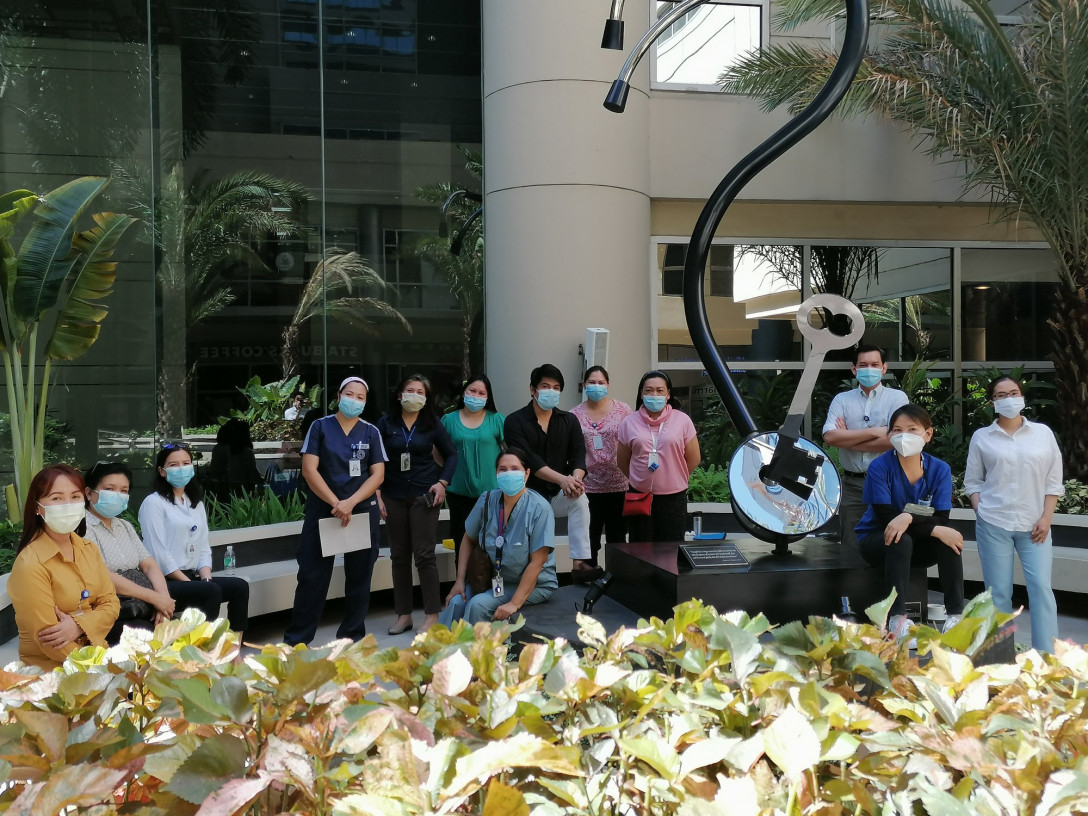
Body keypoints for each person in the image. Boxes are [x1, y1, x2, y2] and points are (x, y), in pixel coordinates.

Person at [283, 376, 386, 645]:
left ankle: (351, 638)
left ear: (366, 402)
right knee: (312, 577)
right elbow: (309, 469)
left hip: (360, 511)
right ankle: (298, 641)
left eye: (360, 397)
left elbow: (377, 475)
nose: (354, 400)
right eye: (349, 394)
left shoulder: (371, 432)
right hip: (324, 510)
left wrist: (350, 503)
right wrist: (336, 504)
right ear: (339, 396)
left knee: (359, 578)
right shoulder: (320, 427)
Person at [964, 374, 1063, 651]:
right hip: (994, 522)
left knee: (1041, 589)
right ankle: (1000, 655)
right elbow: (973, 480)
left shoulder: (1042, 433)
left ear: (1022, 397)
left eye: (1014, 392)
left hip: (1035, 524)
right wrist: (979, 508)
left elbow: (1053, 481)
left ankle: (1047, 657)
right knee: (998, 594)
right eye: (1001, 395)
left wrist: (1047, 518)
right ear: (992, 402)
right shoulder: (982, 437)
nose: (1009, 399)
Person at [856, 404, 964, 639]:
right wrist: (930, 526)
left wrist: (909, 516)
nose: (904, 435)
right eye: (897, 430)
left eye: (912, 429)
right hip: (879, 541)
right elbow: (886, 517)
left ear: (928, 433)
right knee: (900, 538)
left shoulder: (940, 470)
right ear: (890, 435)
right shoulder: (879, 467)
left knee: (950, 538)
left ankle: (955, 616)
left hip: (916, 542)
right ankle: (897, 619)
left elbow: (942, 518)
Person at [8, 464, 119, 670]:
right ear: (37, 507)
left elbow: (111, 605)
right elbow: (51, 642)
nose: (68, 504)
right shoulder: (30, 564)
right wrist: (99, 665)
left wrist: (78, 626)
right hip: (51, 672)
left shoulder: (88, 549)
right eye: (56, 498)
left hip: (97, 656)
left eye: (75, 496)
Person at [139, 442, 250, 637]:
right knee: (210, 592)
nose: (181, 468)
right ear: (162, 471)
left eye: (186, 463)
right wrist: (195, 585)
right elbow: (160, 554)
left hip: (192, 577)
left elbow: (203, 546)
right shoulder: (153, 503)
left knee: (239, 587)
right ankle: (202, 652)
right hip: (165, 581)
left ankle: (234, 651)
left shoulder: (195, 503)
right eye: (173, 465)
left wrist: (206, 578)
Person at [377, 374, 458, 635]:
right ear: (399, 395)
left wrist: (442, 483)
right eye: (410, 390)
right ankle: (404, 615)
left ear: (426, 398)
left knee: (424, 555)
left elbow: (452, 455)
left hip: (425, 495)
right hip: (393, 495)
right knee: (399, 556)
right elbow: (374, 460)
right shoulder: (385, 424)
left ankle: (432, 615)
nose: (415, 395)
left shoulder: (432, 424)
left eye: (420, 392)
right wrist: (377, 492)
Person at [440, 448, 557, 625]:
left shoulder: (540, 508)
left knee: (478, 605)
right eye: (503, 469)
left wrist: (514, 603)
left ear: (526, 474)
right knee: (456, 602)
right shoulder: (487, 500)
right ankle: (444, 650)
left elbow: (538, 562)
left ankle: (475, 652)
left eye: (515, 469)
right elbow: (468, 538)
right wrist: (459, 581)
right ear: (496, 473)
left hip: (533, 584)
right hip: (493, 580)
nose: (508, 473)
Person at [504, 363, 597, 582]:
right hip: (526, 496)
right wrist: (563, 480)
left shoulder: (569, 420)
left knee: (580, 499)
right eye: (545, 386)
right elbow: (529, 460)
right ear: (532, 389)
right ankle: (530, 578)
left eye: (556, 387)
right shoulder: (514, 421)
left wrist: (575, 480)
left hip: (558, 493)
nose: (551, 391)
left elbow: (579, 454)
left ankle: (580, 563)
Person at [822, 343, 909, 549]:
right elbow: (831, 438)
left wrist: (849, 438)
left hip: (889, 483)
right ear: (854, 369)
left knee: (890, 542)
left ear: (884, 368)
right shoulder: (841, 400)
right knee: (852, 546)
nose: (869, 369)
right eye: (863, 365)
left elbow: (896, 440)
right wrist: (876, 431)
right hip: (852, 486)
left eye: (874, 364)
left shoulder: (898, 398)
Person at [83, 461, 175, 640]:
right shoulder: (82, 528)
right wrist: (154, 598)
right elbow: (101, 576)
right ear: (88, 493)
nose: (117, 495)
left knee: (204, 595)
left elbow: (149, 565)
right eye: (110, 489)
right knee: (147, 633)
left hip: (141, 596)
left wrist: (163, 599)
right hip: (109, 605)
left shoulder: (124, 525)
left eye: (123, 491)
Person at [617, 371, 700, 542]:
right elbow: (622, 461)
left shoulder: (682, 420)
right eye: (649, 390)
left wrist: (675, 476)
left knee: (671, 550)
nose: (654, 395)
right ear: (641, 393)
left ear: (668, 394)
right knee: (640, 549)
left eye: (659, 390)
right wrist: (639, 480)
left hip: (673, 498)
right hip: (639, 496)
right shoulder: (629, 422)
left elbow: (693, 458)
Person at [571, 366, 632, 564]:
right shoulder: (574, 415)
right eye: (592, 382)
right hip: (588, 487)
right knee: (590, 538)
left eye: (601, 382)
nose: (596, 386)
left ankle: (617, 583)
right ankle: (589, 581)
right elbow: (572, 449)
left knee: (617, 539)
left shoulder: (624, 410)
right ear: (584, 385)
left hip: (619, 484)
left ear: (608, 385)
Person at [441, 374, 505, 558]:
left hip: (491, 496)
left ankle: (493, 586)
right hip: (458, 496)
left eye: (481, 393)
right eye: (472, 391)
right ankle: (462, 584)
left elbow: (511, 453)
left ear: (488, 397)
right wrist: (450, 469)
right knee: (461, 544)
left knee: (492, 545)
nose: (476, 396)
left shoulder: (497, 419)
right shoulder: (448, 420)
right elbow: (437, 450)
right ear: (463, 393)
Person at [204, 418, 263, 498]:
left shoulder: (218, 448)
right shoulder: (244, 452)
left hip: (219, 489)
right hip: (239, 491)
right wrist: (261, 482)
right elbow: (251, 473)